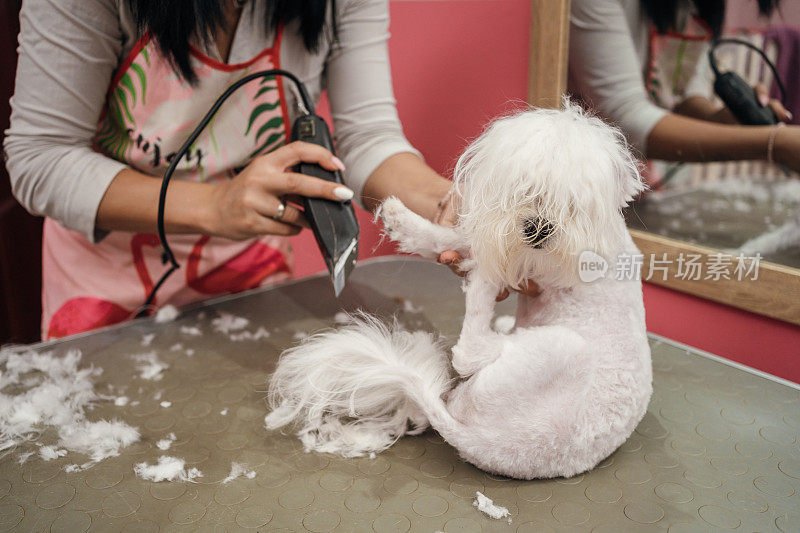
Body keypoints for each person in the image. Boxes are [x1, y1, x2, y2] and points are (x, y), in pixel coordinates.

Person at [5, 0, 457, 339]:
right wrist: (216, 205)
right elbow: (42, 159)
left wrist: (447, 209)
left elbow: (368, 139)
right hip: (104, 283)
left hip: (249, 273)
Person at [568, 0, 800, 177]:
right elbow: (624, 119)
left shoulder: (694, 5)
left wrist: (720, 119)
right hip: (576, 177)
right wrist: (774, 143)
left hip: (635, 181)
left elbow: (682, 94)